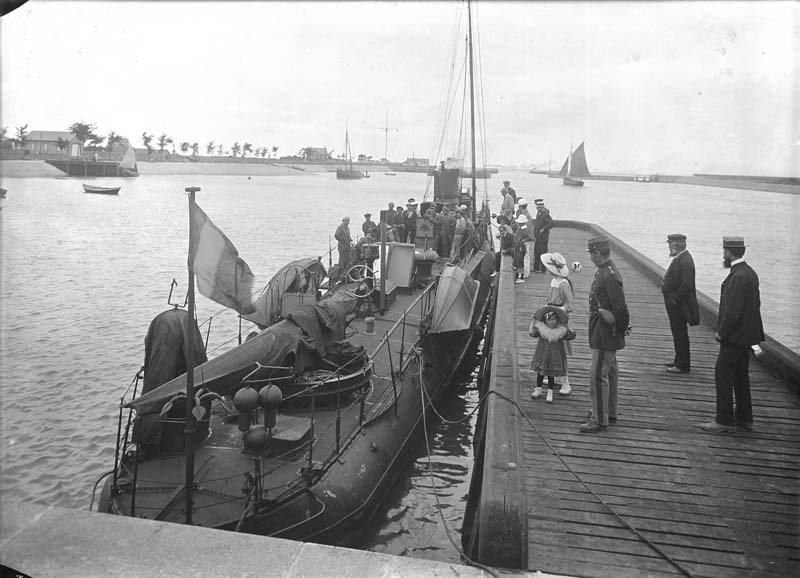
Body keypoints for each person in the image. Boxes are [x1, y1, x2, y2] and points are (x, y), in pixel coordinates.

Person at [701, 236, 764, 434]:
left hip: (734, 337)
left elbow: (733, 311)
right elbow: (756, 305)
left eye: (724, 251)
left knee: (722, 372)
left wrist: (722, 332)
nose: (723, 254)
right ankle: (745, 418)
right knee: (740, 375)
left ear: (729, 252)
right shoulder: (749, 273)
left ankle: (724, 420)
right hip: (747, 336)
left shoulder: (737, 276)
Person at [580, 235, 629, 433]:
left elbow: (619, 307)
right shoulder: (605, 271)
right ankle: (608, 411)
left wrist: (621, 329)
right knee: (610, 371)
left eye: (591, 254)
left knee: (598, 375)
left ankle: (599, 419)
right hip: (604, 329)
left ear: (597, 253)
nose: (590, 258)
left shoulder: (608, 275)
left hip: (605, 332)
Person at [661, 233, 699, 373]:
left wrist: (674, 299)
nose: (669, 246)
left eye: (670, 244)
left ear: (677, 245)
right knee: (677, 332)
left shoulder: (685, 261)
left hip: (679, 305)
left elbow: (686, 285)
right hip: (676, 304)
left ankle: (683, 364)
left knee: (680, 333)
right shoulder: (681, 258)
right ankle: (679, 359)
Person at [542, 252, 575, 395]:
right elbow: (550, 298)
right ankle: (554, 377)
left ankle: (566, 382)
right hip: (551, 318)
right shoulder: (554, 281)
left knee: (560, 351)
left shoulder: (563, 283)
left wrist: (559, 309)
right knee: (551, 349)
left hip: (560, 319)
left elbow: (569, 304)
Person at [528, 305, 575, 403]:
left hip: (555, 357)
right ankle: (538, 389)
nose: (552, 322)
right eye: (550, 320)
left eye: (554, 320)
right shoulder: (541, 330)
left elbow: (571, 335)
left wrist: (567, 324)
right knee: (540, 374)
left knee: (551, 375)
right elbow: (532, 333)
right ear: (545, 321)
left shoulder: (560, 331)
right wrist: (533, 321)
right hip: (542, 355)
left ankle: (550, 391)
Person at [532, 200, 554, 273]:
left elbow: (551, 223)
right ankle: (536, 268)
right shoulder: (538, 213)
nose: (537, 208)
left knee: (543, 253)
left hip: (543, 237)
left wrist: (543, 229)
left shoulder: (545, 214)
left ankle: (543, 269)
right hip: (538, 236)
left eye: (538, 207)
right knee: (537, 252)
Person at [515, 198, 535, 276]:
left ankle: (526, 273)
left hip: (525, 239)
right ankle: (525, 271)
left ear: (521, 207)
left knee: (526, 255)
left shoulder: (525, 216)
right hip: (525, 238)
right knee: (525, 255)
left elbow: (527, 229)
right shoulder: (525, 214)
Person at [513, 214, 530, 282]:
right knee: (517, 260)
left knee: (520, 261)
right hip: (517, 246)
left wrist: (523, 240)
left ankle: (522, 277)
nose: (518, 223)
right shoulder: (519, 228)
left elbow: (529, 237)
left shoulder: (524, 230)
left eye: (520, 222)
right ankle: (518, 275)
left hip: (521, 247)